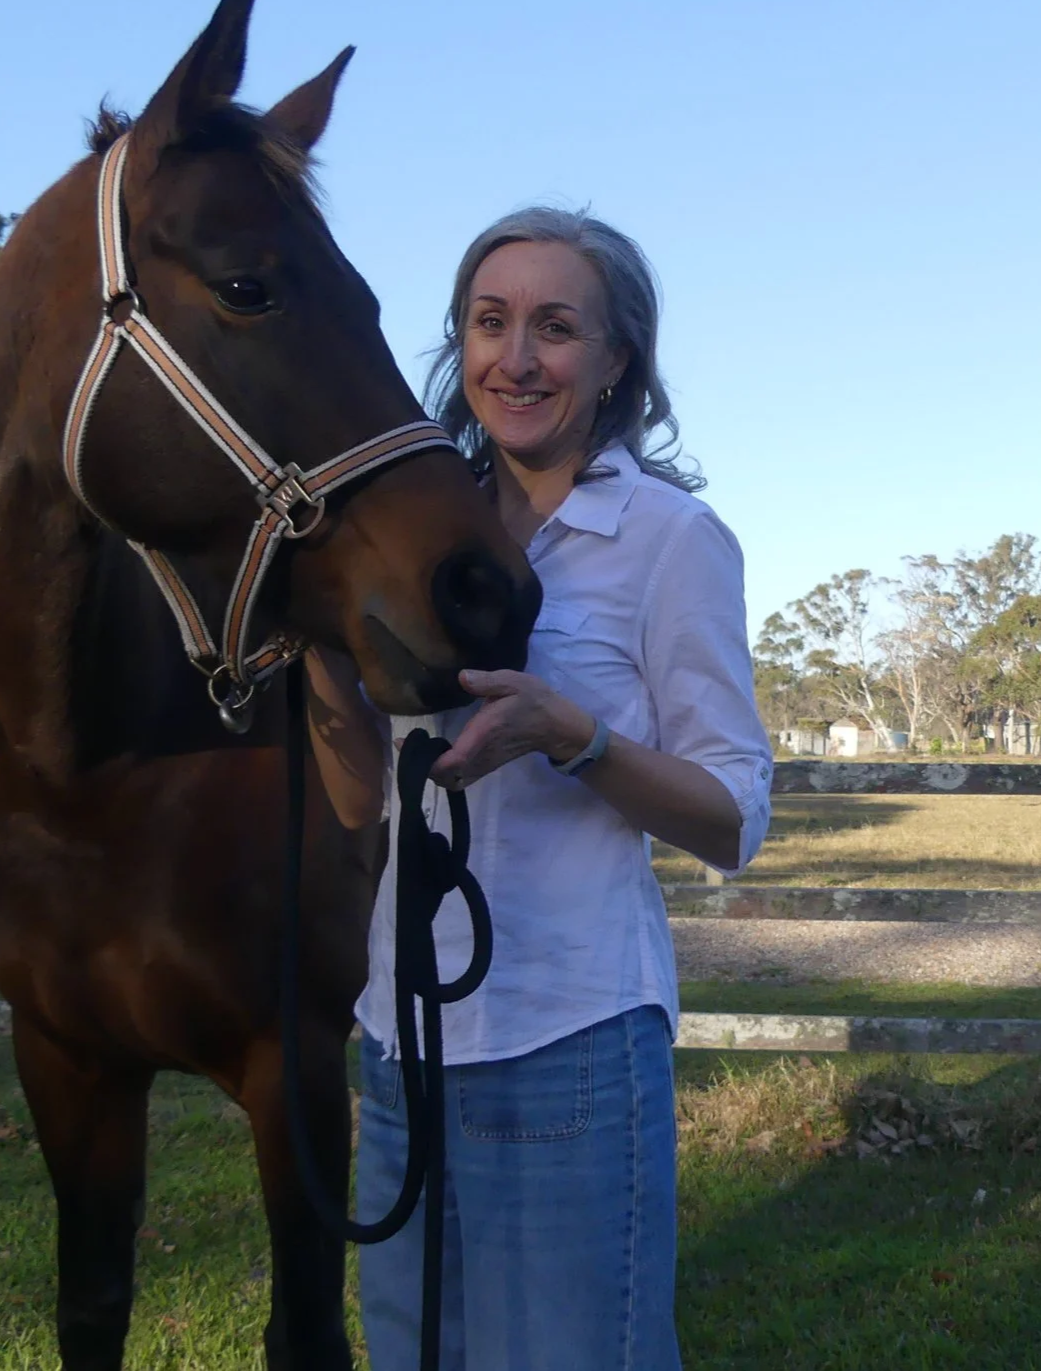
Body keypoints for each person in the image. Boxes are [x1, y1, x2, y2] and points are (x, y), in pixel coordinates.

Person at [303, 207, 773, 1370]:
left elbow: (733, 817)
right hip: (399, 1034)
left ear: (617, 361)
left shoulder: (668, 541)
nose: (515, 358)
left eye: (555, 327)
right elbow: (367, 787)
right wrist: (310, 658)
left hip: (567, 1040)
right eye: (489, 321)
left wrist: (576, 737)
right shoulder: (409, 535)